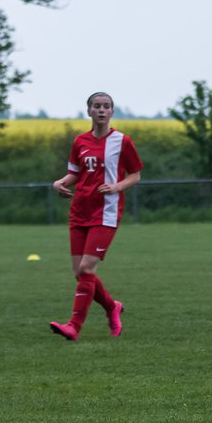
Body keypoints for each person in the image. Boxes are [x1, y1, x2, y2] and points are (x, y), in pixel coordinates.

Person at [49, 92, 143, 340]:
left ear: (112, 111)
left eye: (106, 106)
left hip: (106, 212)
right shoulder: (80, 141)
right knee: (80, 273)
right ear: (89, 111)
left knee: (87, 267)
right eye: (97, 106)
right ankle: (113, 307)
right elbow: (75, 174)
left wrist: (117, 187)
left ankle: (74, 326)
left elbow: (135, 175)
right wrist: (60, 182)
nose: (101, 110)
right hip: (79, 210)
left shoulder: (122, 141)